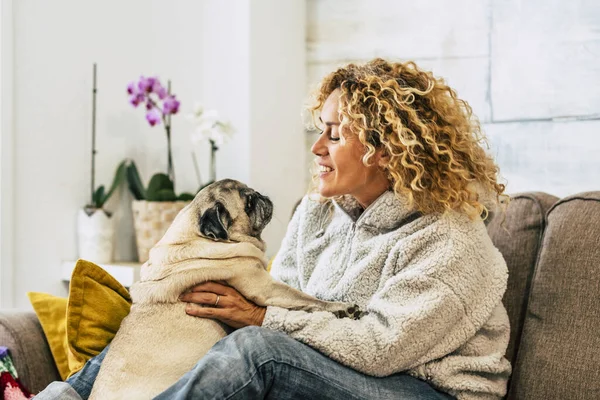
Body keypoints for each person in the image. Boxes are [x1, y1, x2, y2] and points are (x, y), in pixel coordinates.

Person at [37, 58, 511, 400]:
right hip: (340, 369)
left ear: (386, 149)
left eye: (335, 134)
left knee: (257, 351)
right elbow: (274, 295)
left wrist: (262, 319)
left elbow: (379, 347)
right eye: (319, 129)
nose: (317, 148)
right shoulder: (318, 211)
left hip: (426, 390)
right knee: (175, 314)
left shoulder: (451, 239)